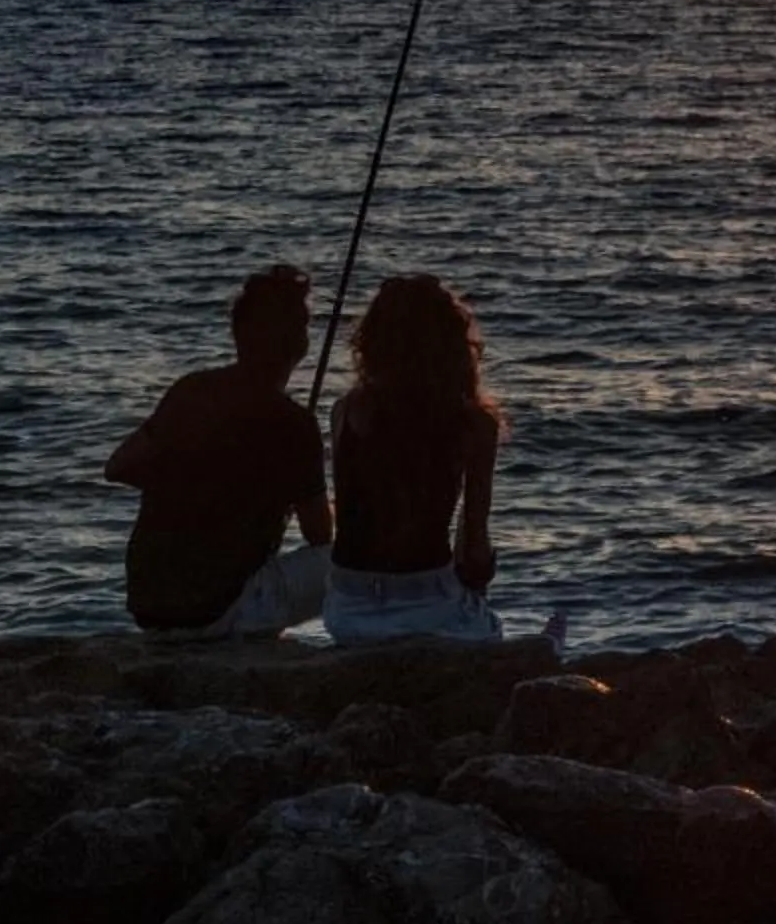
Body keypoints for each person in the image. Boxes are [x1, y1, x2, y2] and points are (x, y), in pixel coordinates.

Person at [103, 263, 332, 636]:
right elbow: (320, 535)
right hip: (215, 613)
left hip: (149, 607)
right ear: (300, 345)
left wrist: (192, 485)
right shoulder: (295, 423)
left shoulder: (190, 391)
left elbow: (118, 467)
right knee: (338, 563)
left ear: (238, 333)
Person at [323, 272, 508, 644]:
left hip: (346, 607)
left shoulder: (345, 411)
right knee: (489, 629)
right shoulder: (473, 424)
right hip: (427, 603)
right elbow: (473, 547)